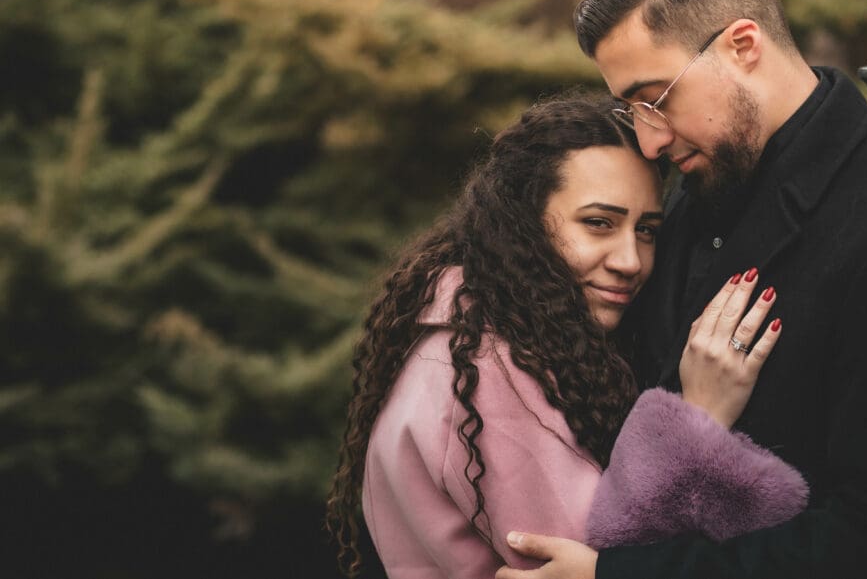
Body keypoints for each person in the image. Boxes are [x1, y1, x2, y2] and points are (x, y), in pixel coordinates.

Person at [498, 0, 867, 579]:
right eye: (632, 111)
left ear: (742, 45)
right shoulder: (693, 187)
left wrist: (614, 575)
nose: (649, 142)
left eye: (656, 100)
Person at [325, 93, 809, 579]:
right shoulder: (487, 368)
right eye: (598, 223)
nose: (630, 261)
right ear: (522, 223)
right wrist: (699, 416)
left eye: (647, 230)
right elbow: (588, 559)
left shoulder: (475, 332)